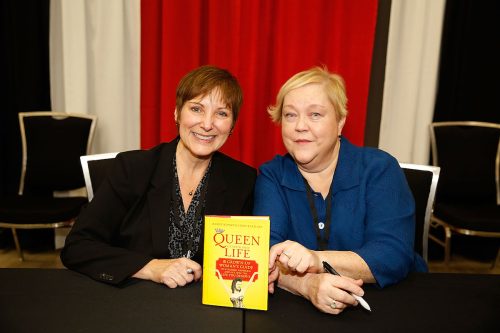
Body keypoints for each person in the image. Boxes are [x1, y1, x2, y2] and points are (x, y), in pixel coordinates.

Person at [61, 65, 256, 288]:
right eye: (196, 109)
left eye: (221, 113)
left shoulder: (243, 180)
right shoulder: (132, 169)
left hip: (205, 311)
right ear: (177, 113)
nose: (207, 124)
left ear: (232, 126)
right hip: (137, 303)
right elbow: (78, 246)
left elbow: (243, 262)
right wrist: (151, 267)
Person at [253, 67, 427, 314]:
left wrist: (315, 260)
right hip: (301, 311)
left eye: (315, 114)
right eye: (290, 115)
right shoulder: (272, 175)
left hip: (393, 303)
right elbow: (265, 253)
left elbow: (392, 254)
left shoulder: (379, 168)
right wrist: (308, 285)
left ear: (340, 122)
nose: (300, 125)